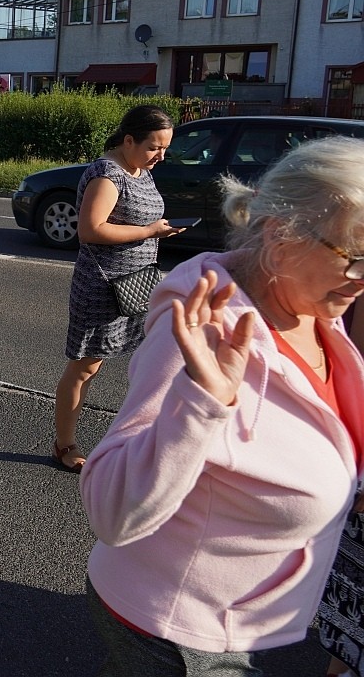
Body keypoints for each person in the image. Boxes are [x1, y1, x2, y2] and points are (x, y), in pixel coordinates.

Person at [81, 136, 364, 676]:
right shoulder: (204, 328)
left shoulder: (312, 308)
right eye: (357, 258)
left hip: (248, 618)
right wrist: (201, 401)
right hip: (181, 634)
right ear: (282, 237)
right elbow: (111, 510)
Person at [52, 105, 183, 472]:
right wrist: (151, 231)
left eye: (165, 148)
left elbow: (136, 216)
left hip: (136, 284)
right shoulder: (108, 174)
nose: (160, 156)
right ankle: (64, 444)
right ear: (128, 140)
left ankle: (138, 437)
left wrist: (163, 228)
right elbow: (91, 230)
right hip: (103, 287)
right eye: (154, 147)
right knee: (85, 368)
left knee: (143, 362)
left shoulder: (138, 168)